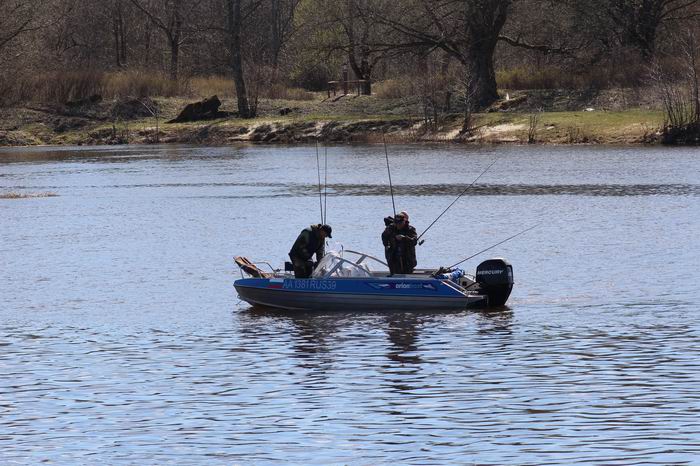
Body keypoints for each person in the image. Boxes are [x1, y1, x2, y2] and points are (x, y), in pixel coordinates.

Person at [381, 211, 417, 275]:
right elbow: (384, 236)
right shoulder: (390, 228)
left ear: (404, 221)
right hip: (394, 257)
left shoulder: (410, 230)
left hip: (407, 258)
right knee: (394, 272)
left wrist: (404, 238)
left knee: (407, 273)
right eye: (396, 223)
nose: (398, 225)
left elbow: (414, 241)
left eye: (400, 223)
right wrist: (386, 245)